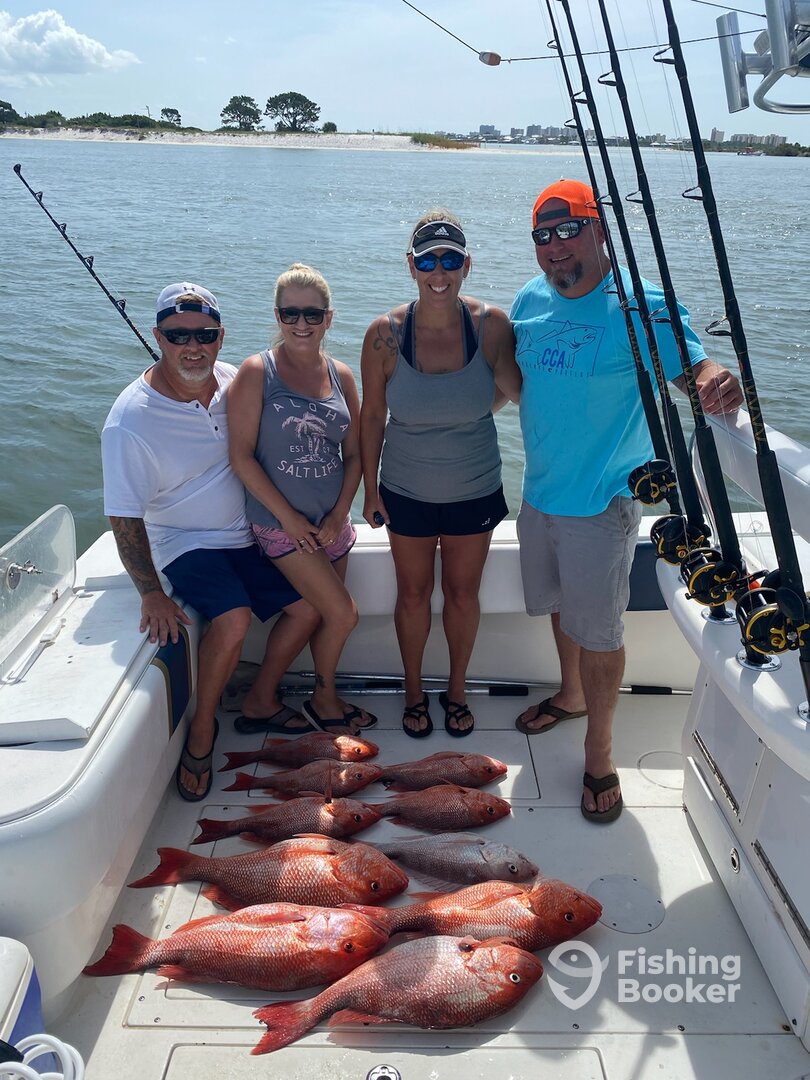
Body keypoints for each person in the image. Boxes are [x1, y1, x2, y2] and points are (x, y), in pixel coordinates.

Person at [510, 178, 743, 823]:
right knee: (560, 608)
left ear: (601, 230)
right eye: (542, 236)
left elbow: (693, 371)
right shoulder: (529, 298)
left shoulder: (642, 306)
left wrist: (716, 380)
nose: (556, 246)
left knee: (600, 632)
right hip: (539, 493)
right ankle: (570, 695)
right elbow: (512, 379)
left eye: (569, 230)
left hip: (601, 502)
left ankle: (599, 753)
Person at [101, 282, 321, 803]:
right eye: (178, 336)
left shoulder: (233, 382)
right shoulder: (130, 421)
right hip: (185, 542)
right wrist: (150, 593)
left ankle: (260, 699)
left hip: (247, 533)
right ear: (158, 337)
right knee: (235, 618)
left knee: (312, 606)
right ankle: (203, 729)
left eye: (205, 334)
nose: (193, 346)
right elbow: (124, 516)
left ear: (221, 337)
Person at [360, 210, 521, 738]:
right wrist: (369, 490)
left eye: (450, 260)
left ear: (466, 265)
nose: (439, 272)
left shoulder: (492, 326)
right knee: (411, 595)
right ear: (411, 265)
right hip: (404, 491)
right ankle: (413, 692)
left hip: (475, 489)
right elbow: (372, 416)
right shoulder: (383, 336)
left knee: (462, 595)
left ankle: (455, 690)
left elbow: (521, 391)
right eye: (428, 261)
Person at [228, 263, 375, 735]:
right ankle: (316, 699)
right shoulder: (257, 372)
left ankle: (278, 698)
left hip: (333, 525)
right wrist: (288, 518)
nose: (301, 323)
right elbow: (241, 457)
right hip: (282, 526)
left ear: (328, 318)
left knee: (319, 615)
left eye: (312, 313)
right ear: (277, 316)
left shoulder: (342, 375)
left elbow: (355, 454)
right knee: (343, 612)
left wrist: (339, 514)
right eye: (290, 313)